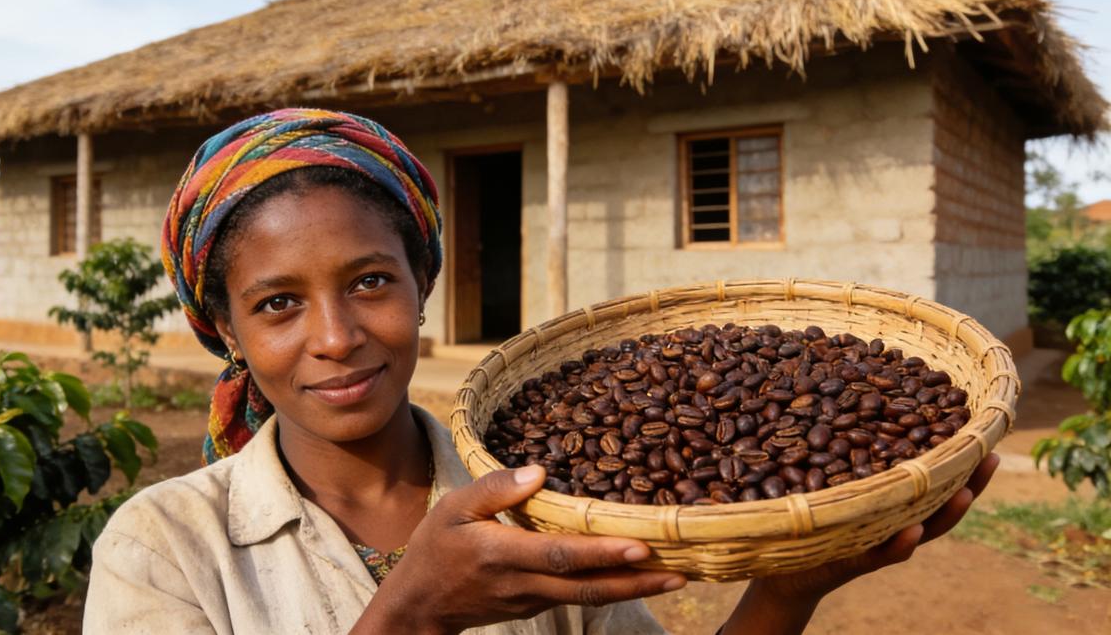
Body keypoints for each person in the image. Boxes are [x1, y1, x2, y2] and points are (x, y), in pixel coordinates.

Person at [83, 108, 999, 634]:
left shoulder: (544, 497)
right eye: (277, 303)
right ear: (227, 331)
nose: (336, 335)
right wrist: (413, 615)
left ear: (423, 283)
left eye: (370, 282)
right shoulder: (162, 546)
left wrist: (791, 587)